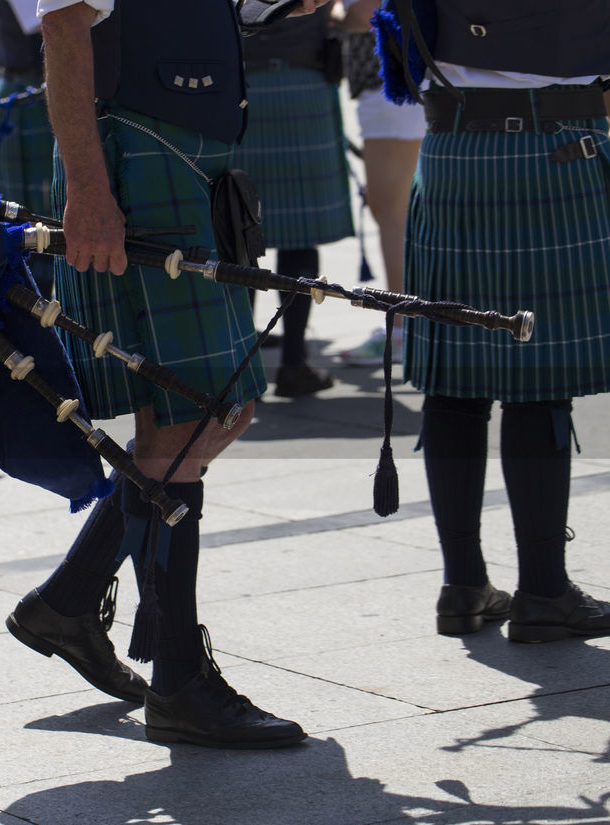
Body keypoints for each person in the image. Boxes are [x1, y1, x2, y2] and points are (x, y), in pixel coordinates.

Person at [5, 0, 327, 748]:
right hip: (142, 155)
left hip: (192, 155)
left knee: (214, 410)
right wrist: (88, 190)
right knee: (190, 416)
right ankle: (178, 680)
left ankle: (70, 599)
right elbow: (63, 24)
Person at [379, 0, 610, 642]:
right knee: (538, 383)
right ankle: (543, 591)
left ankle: (464, 587)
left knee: (455, 382)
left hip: (453, 152)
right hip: (553, 150)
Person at [233, 3, 352, 398]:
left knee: (238, 229)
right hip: (302, 85)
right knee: (300, 236)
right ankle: (294, 363)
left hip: (240, 90)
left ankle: (242, 369)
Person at [335, 0, 423, 366]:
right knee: (396, 211)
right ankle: (410, 326)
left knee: (391, 213)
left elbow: (363, 14)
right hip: (395, 87)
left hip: (392, 88)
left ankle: (403, 330)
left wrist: (325, 13)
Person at [0, 0, 53, 295]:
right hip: (26, 95)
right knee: (26, 222)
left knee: (50, 215)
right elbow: (51, 20)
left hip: (43, 92)